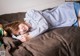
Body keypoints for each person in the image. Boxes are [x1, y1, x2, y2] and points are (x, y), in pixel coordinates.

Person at [4, 2, 80, 42]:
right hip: (69, 22)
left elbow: (44, 25)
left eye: (18, 28)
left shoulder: (30, 13)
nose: (22, 30)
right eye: (19, 33)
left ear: (18, 22)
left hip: (68, 10)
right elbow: (19, 38)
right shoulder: (32, 32)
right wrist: (19, 36)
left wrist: (29, 36)